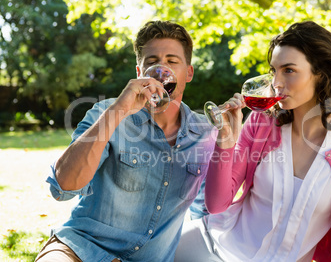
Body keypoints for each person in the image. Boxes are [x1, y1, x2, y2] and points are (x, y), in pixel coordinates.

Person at [175, 21, 331, 262]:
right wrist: (226, 142)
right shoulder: (261, 123)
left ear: (321, 74)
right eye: (274, 70)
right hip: (213, 249)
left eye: (289, 70)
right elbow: (216, 204)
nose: (276, 83)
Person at [35, 20, 217, 262]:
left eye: (172, 61)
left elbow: (207, 212)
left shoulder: (206, 133)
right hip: (81, 248)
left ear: (189, 72)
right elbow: (62, 188)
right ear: (139, 72)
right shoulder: (106, 112)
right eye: (152, 62)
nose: (162, 70)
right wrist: (118, 110)